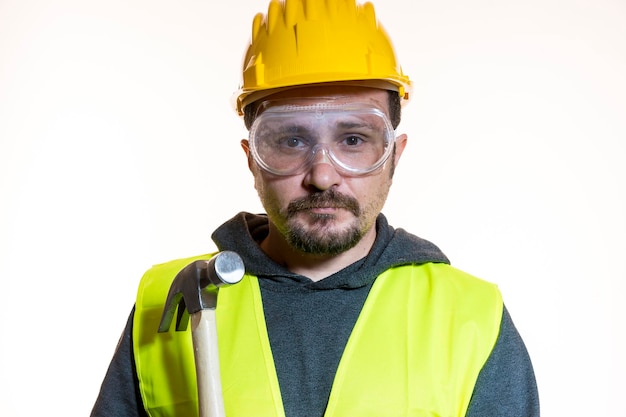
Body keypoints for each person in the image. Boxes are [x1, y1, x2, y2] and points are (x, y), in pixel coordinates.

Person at [91, 0, 540, 416]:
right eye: (291, 140)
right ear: (252, 158)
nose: (322, 176)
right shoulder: (168, 304)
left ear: (394, 155)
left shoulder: (469, 318)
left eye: (353, 140)